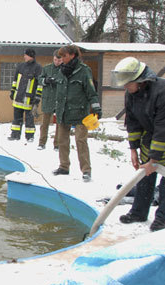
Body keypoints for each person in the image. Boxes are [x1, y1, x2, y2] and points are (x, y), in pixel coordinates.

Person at [112, 57, 165, 231]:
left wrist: (154, 160)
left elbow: (164, 128)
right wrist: (134, 149)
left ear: (140, 81)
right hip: (152, 132)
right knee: (145, 175)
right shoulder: (132, 93)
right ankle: (138, 213)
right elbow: (134, 122)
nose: (125, 87)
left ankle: (162, 218)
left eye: (128, 84)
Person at [53, 45, 101, 182]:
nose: (62, 59)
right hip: (63, 111)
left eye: (64, 56)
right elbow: (59, 92)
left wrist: (96, 108)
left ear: (72, 55)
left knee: (81, 141)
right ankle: (64, 166)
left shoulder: (84, 71)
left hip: (80, 112)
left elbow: (91, 92)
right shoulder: (61, 71)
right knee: (62, 140)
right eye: (60, 56)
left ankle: (86, 170)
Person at [8, 48, 42, 142]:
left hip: (29, 99)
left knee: (29, 119)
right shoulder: (21, 66)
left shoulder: (37, 68)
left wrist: (37, 97)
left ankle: (30, 136)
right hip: (18, 97)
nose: (24, 57)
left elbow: (40, 84)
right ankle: (15, 135)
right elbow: (15, 80)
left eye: (25, 55)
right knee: (16, 118)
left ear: (30, 56)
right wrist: (12, 91)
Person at [37, 50, 62, 151]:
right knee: (45, 124)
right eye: (55, 60)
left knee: (59, 124)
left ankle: (57, 144)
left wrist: (58, 82)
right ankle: (42, 143)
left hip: (60, 99)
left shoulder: (65, 69)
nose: (57, 62)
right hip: (48, 99)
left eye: (59, 60)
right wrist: (46, 81)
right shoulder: (47, 68)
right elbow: (39, 79)